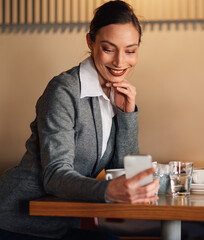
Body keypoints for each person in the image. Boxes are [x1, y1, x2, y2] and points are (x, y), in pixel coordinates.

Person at [0, 1, 159, 239]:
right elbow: (55, 176)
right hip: (20, 221)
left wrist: (127, 116)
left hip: (64, 222)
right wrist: (108, 191)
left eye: (130, 50)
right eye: (108, 48)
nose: (119, 62)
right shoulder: (64, 91)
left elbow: (120, 172)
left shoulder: (115, 92)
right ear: (90, 42)